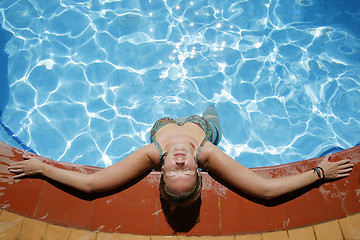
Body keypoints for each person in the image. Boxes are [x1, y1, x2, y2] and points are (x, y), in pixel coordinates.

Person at [8, 105, 353, 208]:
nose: (178, 163)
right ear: (198, 172)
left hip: (163, 124)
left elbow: (92, 185)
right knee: (213, 112)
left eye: (172, 173)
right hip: (204, 126)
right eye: (186, 170)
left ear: (161, 173)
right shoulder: (208, 152)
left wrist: (41, 167)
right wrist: (319, 174)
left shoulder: (151, 153)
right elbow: (263, 191)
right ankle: (212, 107)